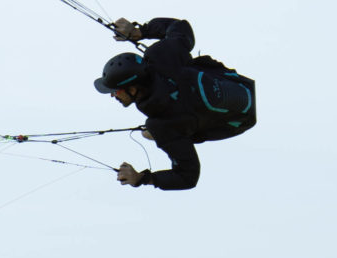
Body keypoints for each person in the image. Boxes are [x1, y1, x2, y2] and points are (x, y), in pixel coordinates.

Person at [93, 16, 256, 191]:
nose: (112, 96)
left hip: (242, 119)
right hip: (243, 84)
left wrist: (142, 178)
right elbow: (180, 27)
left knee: (158, 132)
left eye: (115, 91)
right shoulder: (161, 55)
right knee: (163, 129)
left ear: (133, 89)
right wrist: (138, 32)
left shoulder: (162, 124)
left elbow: (188, 177)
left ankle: (186, 130)